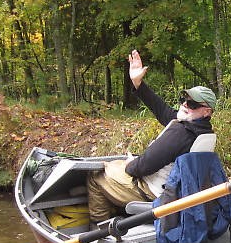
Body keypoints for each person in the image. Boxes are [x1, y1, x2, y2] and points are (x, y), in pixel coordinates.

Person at [87, 49, 217, 224]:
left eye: (192, 103)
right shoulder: (203, 131)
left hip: (153, 194)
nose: (185, 105)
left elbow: (141, 168)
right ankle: (118, 212)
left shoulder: (182, 133)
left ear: (206, 111)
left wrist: (130, 164)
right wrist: (138, 83)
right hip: (177, 192)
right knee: (116, 167)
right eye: (183, 99)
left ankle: (99, 231)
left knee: (96, 176)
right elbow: (162, 110)